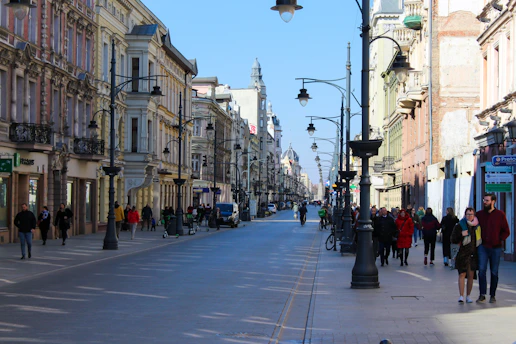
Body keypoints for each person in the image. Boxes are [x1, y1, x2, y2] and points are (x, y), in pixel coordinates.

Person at [476, 193, 511, 303]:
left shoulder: (500, 215)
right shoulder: (479, 214)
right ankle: (482, 294)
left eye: (487, 200)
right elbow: (473, 226)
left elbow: (506, 231)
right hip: (483, 246)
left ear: (493, 201)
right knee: (481, 270)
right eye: (484, 200)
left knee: (494, 272)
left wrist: (499, 239)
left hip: (496, 247)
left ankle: (492, 295)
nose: (484, 202)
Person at [451, 207, 481, 303]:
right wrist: (461, 234)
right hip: (462, 254)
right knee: (462, 274)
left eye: (471, 214)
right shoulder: (460, 225)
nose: (469, 216)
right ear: (465, 215)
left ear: (474, 215)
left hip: (473, 254)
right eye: (468, 214)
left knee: (471, 275)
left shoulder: (477, 226)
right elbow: (453, 239)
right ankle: (461, 296)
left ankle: (468, 296)